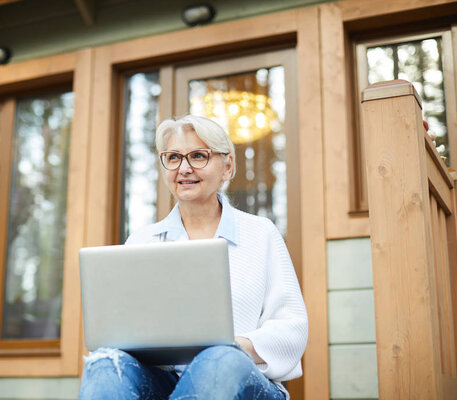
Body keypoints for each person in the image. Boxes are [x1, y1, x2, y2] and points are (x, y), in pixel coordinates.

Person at [79, 115, 308, 399]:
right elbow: (123, 331)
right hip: (165, 381)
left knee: (219, 360)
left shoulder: (260, 234)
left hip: (244, 381)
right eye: (173, 157)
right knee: (106, 364)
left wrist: (236, 347)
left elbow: (292, 329)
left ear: (227, 167)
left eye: (198, 155)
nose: (184, 168)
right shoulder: (142, 241)